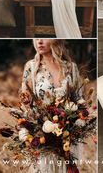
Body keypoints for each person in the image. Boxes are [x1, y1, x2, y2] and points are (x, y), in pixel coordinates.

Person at [21, 39, 82, 173]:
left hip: (66, 135)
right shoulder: (31, 67)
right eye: (36, 38)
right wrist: (34, 128)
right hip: (42, 135)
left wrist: (73, 125)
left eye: (44, 38)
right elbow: (25, 102)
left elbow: (79, 100)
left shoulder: (71, 67)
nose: (39, 41)